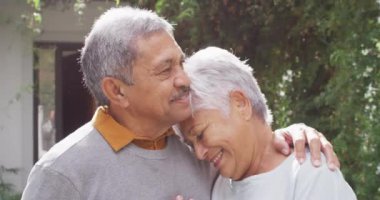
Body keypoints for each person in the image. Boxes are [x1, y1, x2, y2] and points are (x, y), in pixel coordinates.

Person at [22, 6, 338, 200]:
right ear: (117, 92)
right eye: (165, 70)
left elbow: (251, 144)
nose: (183, 79)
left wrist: (293, 133)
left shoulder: (200, 153)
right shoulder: (62, 174)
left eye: (180, 63)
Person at [179, 46, 356, 200]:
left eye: (200, 134)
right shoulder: (219, 186)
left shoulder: (310, 174)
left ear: (240, 104)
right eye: (191, 144)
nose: (199, 154)